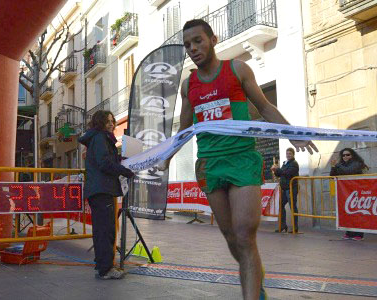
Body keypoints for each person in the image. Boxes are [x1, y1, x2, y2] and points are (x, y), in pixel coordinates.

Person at [157, 19, 318, 299]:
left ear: (213, 39)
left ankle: (252, 293)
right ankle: (255, 276)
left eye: (198, 41)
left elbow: (265, 107)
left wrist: (294, 134)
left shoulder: (237, 69)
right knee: (231, 237)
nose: (192, 48)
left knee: (244, 235)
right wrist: (167, 158)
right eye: (187, 45)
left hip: (242, 159)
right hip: (209, 165)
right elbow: (184, 128)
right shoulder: (188, 85)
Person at [78, 110, 134, 280]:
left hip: (100, 189)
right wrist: (125, 170)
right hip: (102, 189)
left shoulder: (98, 138)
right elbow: (104, 163)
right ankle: (106, 269)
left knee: (103, 230)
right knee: (106, 231)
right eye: (107, 121)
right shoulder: (101, 138)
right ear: (99, 123)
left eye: (112, 121)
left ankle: (103, 265)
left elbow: (106, 160)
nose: (111, 124)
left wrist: (121, 160)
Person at [330, 148, 368, 241]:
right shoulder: (340, 165)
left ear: (352, 155)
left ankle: (359, 234)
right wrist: (333, 167)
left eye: (348, 155)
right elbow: (332, 175)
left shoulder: (357, 163)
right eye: (343, 155)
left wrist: (337, 166)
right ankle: (349, 233)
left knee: (357, 212)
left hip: (357, 191)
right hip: (345, 192)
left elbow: (349, 171)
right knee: (347, 213)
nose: (345, 157)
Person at [271, 148, 299, 233]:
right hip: (284, 188)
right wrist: (275, 170)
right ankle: (283, 225)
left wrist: (279, 170)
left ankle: (295, 227)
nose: (288, 155)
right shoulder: (285, 163)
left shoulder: (294, 164)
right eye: (287, 153)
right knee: (281, 205)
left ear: (293, 154)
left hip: (291, 188)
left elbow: (287, 173)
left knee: (292, 207)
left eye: (290, 153)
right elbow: (280, 174)